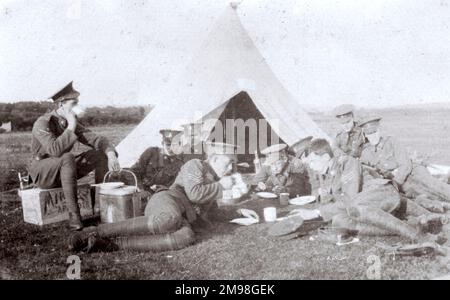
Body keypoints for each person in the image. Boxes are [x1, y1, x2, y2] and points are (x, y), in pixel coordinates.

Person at [68, 142, 243, 253]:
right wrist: (221, 187)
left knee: (186, 237)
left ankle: (109, 245)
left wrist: (241, 211)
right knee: (170, 219)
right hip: (167, 199)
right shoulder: (196, 165)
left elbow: (212, 212)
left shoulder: (213, 179)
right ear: (214, 159)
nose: (230, 168)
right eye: (228, 163)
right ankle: (92, 232)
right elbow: (194, 193)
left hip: (182, 215)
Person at [294, 139, 445, 244]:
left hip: (382, 193)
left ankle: (417, 235)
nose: (311, 167)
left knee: (355, 208)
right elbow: (329, 202)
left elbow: (348, 199)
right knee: (338, 220)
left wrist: (317, 213)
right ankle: (413, 225)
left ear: (326, 157)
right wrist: (317, 210)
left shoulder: (346, 163)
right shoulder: (325, 174)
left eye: (313, 161)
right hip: (369, 208)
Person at [29, 82, 120, 231]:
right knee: (67, 157)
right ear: (61, 105)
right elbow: (54, 150)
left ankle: (101, 206)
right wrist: (71, 125)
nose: (78, 107)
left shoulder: (70, 122)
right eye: (74, 103)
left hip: (64, 169)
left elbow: (96, 139)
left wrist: (110, 153)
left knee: (99, 154)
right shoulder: (43, 122)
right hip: (43, 173)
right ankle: (74, 217)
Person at [359, 116, 450, 203]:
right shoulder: (366, 153)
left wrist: (397, 182)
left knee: (434, 186)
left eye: (375, 132)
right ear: (365, 135)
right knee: (426, 197)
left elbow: (405, 164)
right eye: (369, 134)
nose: (373, 136)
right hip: (397, 182)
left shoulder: (392, 142)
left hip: (412, 172)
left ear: (379, 131)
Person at [130, 129, 186, 193]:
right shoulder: (151, 152)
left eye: (175, 145)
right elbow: (133, 172)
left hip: (163, 194)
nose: (171, 148)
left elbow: (180, 183)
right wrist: (140, 189)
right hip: (143, 190)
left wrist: (165, 189)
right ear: (162, 143)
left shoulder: (181, 161)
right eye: (168, 145)